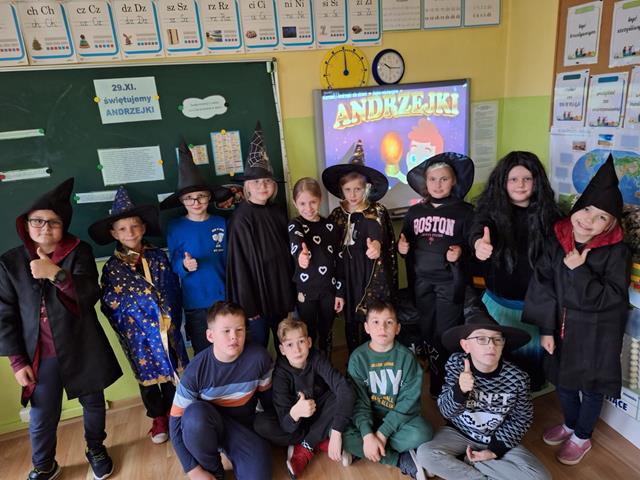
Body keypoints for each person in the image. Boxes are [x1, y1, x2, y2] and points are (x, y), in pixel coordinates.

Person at [0, 178, 122, 480]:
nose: (45, 227)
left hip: (82, 345)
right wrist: (17, 361)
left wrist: (55, 273)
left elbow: (89, 294)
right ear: (25, 224)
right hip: (40, 354)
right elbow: (5, 315)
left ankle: (95, 448)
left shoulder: (79, 252)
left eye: (53, 222)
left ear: (63, 226)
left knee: (93, 402)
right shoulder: (9, 263)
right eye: (37, 221)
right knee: (42, 412)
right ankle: (44, 464)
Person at [523, 154, 630, 465]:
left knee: (591, 387)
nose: (588, 220)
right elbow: (543, 285)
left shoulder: (616, 251)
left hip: (597, 335)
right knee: (563, 381)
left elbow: (613, 297)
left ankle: (582, 436)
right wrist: (546, 329)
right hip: (560, 328)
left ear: (611, 224)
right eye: (586, 210)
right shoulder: (557, 239)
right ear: (576, 208)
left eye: (601, 217)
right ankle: (570, 423)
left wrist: (579, 271)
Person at [90, 186, 189, 445]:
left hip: (166, 327)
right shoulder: (113, 268)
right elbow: (110, 303)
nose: (130, 232)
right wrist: (140, 310)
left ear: (143, 228)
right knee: (148, 378)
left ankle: (175, 414)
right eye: (123, 229)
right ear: (114, 233)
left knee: (172, 371)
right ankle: (158, 418)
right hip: (137, 335)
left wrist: (167, 313)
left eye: (135, 226)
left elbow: (171, 287)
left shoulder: (158, 257)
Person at [417, 290, 550, 480]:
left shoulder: (518, 378)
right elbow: (446, 411)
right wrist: (459, 390)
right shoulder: (456, 364)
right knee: (425, 454)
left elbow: (522, 419)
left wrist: (494, 451)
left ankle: (471, 462)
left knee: (540, 477)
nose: (491, 345)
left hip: (496, 436)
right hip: (459, 433)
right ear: (466, 345)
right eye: (481, 338)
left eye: (497, 339)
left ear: (503, 345)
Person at [470, 151, 560, 392]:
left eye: (527, 179)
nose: (520, 184)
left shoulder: (550, 217)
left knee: (530, 375)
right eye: (513, 179)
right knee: (495, 368)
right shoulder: (490, 213)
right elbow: (478, 229)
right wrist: (479, 244)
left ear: (537, 182)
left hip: (534, 310)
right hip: (497, 306)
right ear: (502, 182)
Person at [398, 152, 475, 397]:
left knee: (446, 333)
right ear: (425, 182)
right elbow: (406, 243)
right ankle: (435, 378)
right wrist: (402, 249)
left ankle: (447, 384)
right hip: (422, 283)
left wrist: (461, 253)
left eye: (444, 179)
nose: (438, 184)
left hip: (449, 284)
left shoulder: (465, 212)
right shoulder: (414, 212)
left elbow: (474, 247)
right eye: (432, 179)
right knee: (427, 330)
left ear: (454, 181)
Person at [169, 301, 274, 480]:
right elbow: (176, 425)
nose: (234, 337)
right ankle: (214, 471)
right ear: (210, 335)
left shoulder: (260, 358)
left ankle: (241, 454)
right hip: (206, 426)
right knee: (194, 416)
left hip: (243, 428)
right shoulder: (195, 371)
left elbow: (268, 400)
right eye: (226, 331)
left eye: (239, 330)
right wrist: (193, 470)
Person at [342, 300, 433, 480]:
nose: (382, 327)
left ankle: (366, 451)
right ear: (367, 327)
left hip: (397, 421)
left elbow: (408, 402)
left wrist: (383, 433)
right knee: (338, 434)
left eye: (389, 322)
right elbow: (359, 402)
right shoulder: (358, 358)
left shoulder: (407, 358)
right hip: (368, 419)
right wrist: (367, 435)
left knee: (423, 432)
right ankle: (399, 459)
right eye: (376, 322)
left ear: (397, 328)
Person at [322, 140, 398, 353]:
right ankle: (354, 358)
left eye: (358, 189)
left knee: (371, 316)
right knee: (350, 318)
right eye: (348, 189)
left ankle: (373, 357)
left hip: (371, 273)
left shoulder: (378, 211)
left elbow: (387, 244)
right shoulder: (337, 215)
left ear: (367, 188)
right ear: (341, 190)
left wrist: (377, 248)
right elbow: (330, 248)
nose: (353, 194)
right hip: (347, 274)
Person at [254, 318, 354, 478]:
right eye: (290, 345)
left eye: (301, 341)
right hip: (297, 423)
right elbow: (286, 424)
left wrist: (337, 432)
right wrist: (296, 413)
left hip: (321, 414)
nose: (297, 350)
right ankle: (319, 441)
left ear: (309, 342)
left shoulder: (317, 358)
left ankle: (306, 447)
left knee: (346, 389)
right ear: (282, 349)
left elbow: (343, 387)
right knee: (261, 423)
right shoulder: (280, 373)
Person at [226, 122, 295, 348]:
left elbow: (288, 253)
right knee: (258, 348)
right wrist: (249, 307)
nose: (262, 186)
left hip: (281, 292)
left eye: (267, 181)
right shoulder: (241, 218)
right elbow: (239, 265)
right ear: (247, 186)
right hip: (257, 298)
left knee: (286, 343)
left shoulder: (278, 212)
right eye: (256, 182)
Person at [161, 141, 232, 355]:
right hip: (195, 302)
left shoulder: (221, 223)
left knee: (229, 349)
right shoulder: (175, 227)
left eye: (201, 196)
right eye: (189, 198)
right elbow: (173, 264)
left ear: (209, 197)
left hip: (223, 297)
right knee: (204, 353)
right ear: (182, 201)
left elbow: (232, 260)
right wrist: (184, 265)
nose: (196, 202)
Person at [288, 177, 344, 356]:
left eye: (312, 202)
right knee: (308, 333)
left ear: (320, 199)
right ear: (295, 203)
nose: (308, 208)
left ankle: (325, 365)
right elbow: (296, 241)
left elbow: (339, 261)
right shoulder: (295, 224)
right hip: (306, 291)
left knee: (326, 331)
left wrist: (340, 292)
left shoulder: (331, 227)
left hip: (328, 290)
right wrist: (301, 255)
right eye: (302, 203)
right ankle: (311, 368)